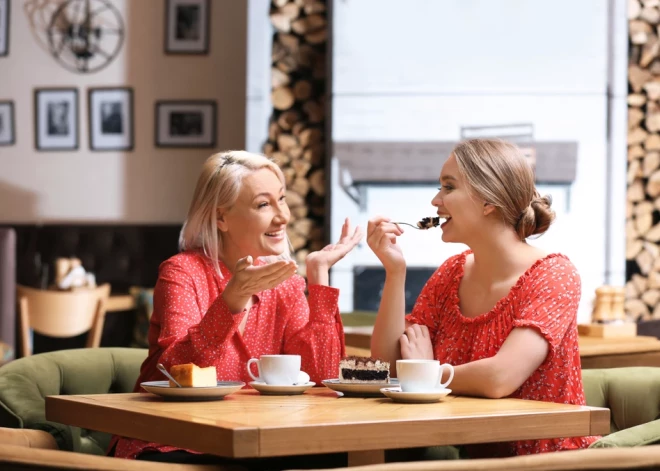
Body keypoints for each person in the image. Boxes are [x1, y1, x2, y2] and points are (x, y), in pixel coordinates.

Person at [110, 150, 362, 463]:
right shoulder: (182, 272)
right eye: (263, 204)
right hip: (176, 439)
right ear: (220, 217)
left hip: (255, 440)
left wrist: (319, 276)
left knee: (335, 458)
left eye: (281, 199)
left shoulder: (287, 284)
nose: (283, 216)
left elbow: (323, 377)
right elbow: (175, 372)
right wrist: (234, 297)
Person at [367, 138, 598, 457]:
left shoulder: (554, 275)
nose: (436, 200)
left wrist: (428, 373)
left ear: (488, 201)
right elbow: (389, 365)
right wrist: (395, 272)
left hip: (548, 461)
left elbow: (500, 378)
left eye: (449, 187)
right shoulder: (451, 274)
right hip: (470, 457)